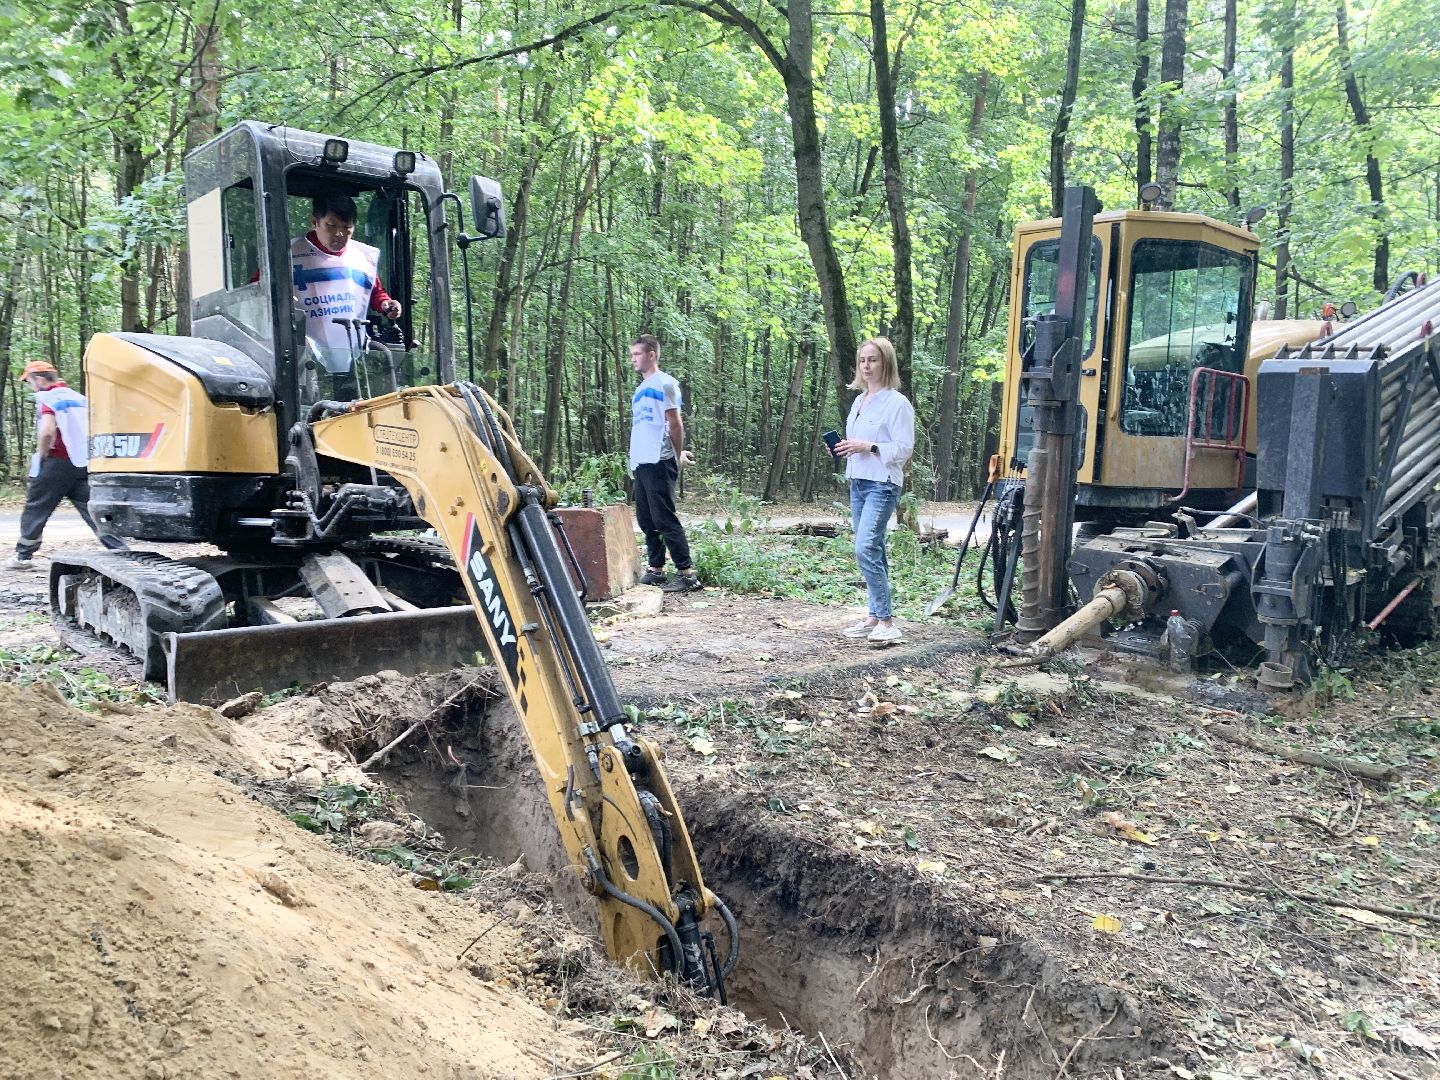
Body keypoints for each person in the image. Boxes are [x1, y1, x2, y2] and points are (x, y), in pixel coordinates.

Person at [830, 337, 915, 644]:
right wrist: (844, 448)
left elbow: (904, 448)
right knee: (873, 547)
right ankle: (874, 617)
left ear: (886, 363)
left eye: (873, 360)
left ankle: (888, 623)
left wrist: (869, 446)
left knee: (864, 547)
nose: (866, 366)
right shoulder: (859, 401)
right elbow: (858, 444)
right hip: (858, 481)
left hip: (883, 483)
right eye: (863, 360)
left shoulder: (897, 403)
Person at [7, 361, 128, 569]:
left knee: (37, 507)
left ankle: (23, 556)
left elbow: (47, 431)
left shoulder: (49, 398)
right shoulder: (79, 398)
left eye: (30, 382)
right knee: (91, 508)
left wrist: (42, 455)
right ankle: (119, 548)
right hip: (83, 462)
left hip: (57, 461)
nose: (31, 386)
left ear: (40, 379)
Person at [290, 193, 402, 372]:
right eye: (331, 226)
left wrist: (387, 305)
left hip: (353, 353)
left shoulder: (362, 257)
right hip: (303, 356)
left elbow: (375, 292)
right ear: (314, 222)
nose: (339, 234)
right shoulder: (289, 254)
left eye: (347, 228)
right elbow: (259, 293)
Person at [628, 334, 700, 591]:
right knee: (646, 519)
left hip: (659, 459)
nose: (633, 359)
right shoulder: (640, 389)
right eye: (632, 354)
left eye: (637, 354)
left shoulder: (666, 383)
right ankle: (656, 570)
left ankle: (687, 574)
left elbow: (675, 423)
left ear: (651, 355)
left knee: (664, 518)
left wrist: (677, 454)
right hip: (642, 461)